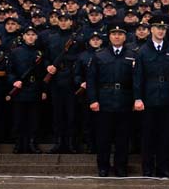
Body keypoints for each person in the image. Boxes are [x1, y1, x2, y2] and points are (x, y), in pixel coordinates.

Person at [133, 19, 169, 178]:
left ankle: (163, 168)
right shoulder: (143, 51)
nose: (161, 31)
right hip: (149, 97)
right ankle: (147, 168)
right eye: (158, 28)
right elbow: (138, 76)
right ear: (151, 29)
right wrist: (138, 98)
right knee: (148, 135)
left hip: (167, 97)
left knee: (165, 135)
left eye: (163, 28)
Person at [87, 24, 135, 177]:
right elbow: (91, 80)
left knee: (123, 138)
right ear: (109, 36)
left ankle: (121, 167)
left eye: (120, 34)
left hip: (124, 101)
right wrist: (93, 100)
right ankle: (103, 166)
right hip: (104, 100)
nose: (117, 36)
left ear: (125, 37)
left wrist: (135, 99)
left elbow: (136, 80)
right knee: (103, 137)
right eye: (114, 33)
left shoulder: (132, 55)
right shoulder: (100, 55)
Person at [44, 14, 81, 154]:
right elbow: (46, 57)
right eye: (61, 20)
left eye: (66, 20)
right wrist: (48, 67)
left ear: (71, 22)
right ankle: (58, 142)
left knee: (71, 114)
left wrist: (66, 58)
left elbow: (80, 57)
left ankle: (71, 144)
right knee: (57, 114)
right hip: (55, 79)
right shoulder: (52, 38)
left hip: (71, 79)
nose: (63, 22)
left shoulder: (77, 39)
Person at [7, 26, 45, 154]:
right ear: (23, 36)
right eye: (28, 34)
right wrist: (14, 81)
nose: (30, 37)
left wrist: (43, 90)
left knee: (34, 119)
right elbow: (10, 70)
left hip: (35, 88)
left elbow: (43, 74)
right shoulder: (15, 52)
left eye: (33, 34)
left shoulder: (40, 53)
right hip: (19, 89)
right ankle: (19, 144)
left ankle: (32, 144)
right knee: (18, 118)